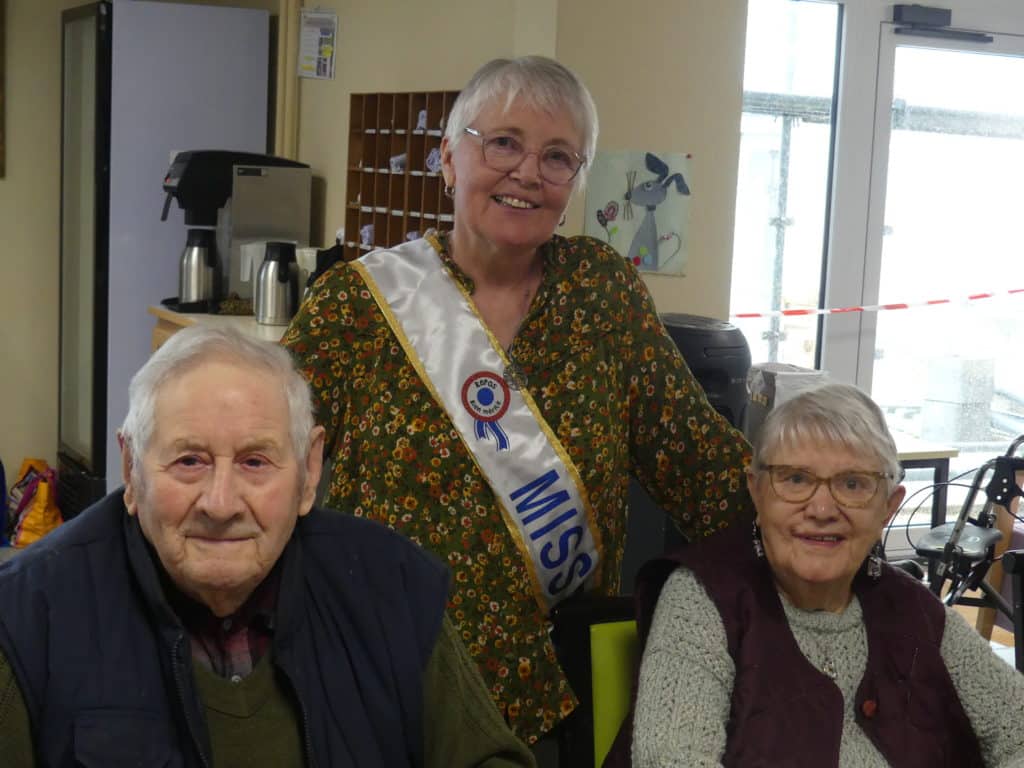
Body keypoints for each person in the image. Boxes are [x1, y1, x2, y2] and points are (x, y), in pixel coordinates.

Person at [282, 54, 753, 744]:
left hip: (554, 695)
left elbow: (701, 467)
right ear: (449, 159)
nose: (528, 172)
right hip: (379, 679)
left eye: (558, 157)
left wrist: (818, 515)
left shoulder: (601, 293)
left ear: (576, 180)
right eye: (503, 143)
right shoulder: (356, 303)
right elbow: (265, 457)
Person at [0, 326, 535, 768]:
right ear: (131, 468)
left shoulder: (391, 587)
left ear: (309, 471)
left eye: (255, 462)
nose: (220, 503)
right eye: (189, 461)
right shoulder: (25, 618)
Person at [631, 383, 1024, 767]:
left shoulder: (916, 611)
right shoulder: (703, 599)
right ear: (757, 491)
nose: (821, 510)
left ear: (888, 506)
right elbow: (670, 758)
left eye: (852, 484)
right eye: (796, 479)